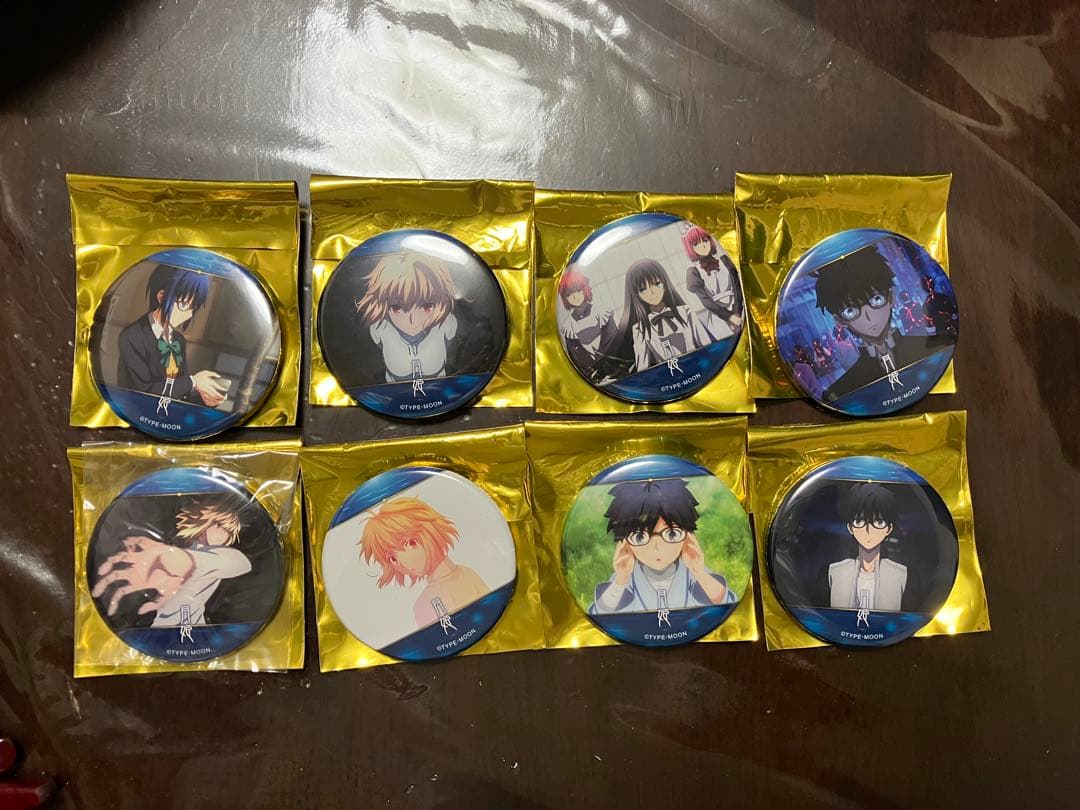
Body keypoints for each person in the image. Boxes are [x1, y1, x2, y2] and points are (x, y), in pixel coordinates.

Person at [91, 498, 251, 627]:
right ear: (203, 520)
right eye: (219, 525)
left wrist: (186, 561)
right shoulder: (176, 552)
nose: (222, 534)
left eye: (229, 531)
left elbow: (242, 563)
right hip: (161, 627)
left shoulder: (222, 555)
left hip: (193, 626)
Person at [590, 477, 736, 615]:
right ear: (625, 542)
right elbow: (601, 612)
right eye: (640, 537)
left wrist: (699, 572)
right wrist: (621, 580)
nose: (657, 548)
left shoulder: (692, 570)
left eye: (672, 534)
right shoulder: (627, 575)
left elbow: (726, 603)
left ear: (687, 536)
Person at [814, 246, 940, 401]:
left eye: (876, 299)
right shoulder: (841, 392)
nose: (868, 317)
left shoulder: (935, 350)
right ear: (839, 320)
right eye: (850, 311)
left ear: (891, 298)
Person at [358, 497, 489, 630]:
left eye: (410, 543)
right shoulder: (424, 603)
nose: (402, 563)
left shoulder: (467, 574)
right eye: (392, 559)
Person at [116, 264, 230, 408]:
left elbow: (180, 391)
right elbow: (142, 392)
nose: (189, 314)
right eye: (184, 304)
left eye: (193, 308)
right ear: (162, 296)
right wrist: (194, 382)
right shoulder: (133, 336)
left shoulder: (178, 340)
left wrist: (206, 397)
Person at [356, 253, 459, 389]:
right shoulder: (379, 327)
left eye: (427, 307)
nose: (412, 320)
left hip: (442, 391)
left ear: (441, 302)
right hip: (392, 394)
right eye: (397, 308)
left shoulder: (447, 323)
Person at [610, 258, 710, 376]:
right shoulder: (639, 329)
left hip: (699, 369)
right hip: (667, 378)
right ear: (636, 295)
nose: (652, 293)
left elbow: (706, 345)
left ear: (665, 282)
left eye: (657, 284)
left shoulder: (685, 312)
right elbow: (643, 368)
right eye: (643, 289)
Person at [827, 482, 907, 612]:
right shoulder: (835, 572)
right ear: (850, 527)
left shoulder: (901, 574)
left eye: (878, 522)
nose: (868, 530)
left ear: (888, 529)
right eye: (860, 521)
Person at [682, 225, 743, 341]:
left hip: (739, 308)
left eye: (705, 240)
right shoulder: (693, 272)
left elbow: (737, 288)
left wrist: (737, 311)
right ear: (690, 248)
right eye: (696, 244)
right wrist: (728, 316)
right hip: (718, 317)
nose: (703, 246)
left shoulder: (725, 260)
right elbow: (705, 300)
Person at [556, 268, 616, 381]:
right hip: (592, 376)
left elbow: (612, 338)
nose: (575, 296)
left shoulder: (601, 311)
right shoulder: (569, 326)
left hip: (613, 366)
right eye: (569, 294)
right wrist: (592, 373)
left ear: (585, 289)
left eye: (578, 290)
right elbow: (577, 354)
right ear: (565, 298)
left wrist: (607, 366)